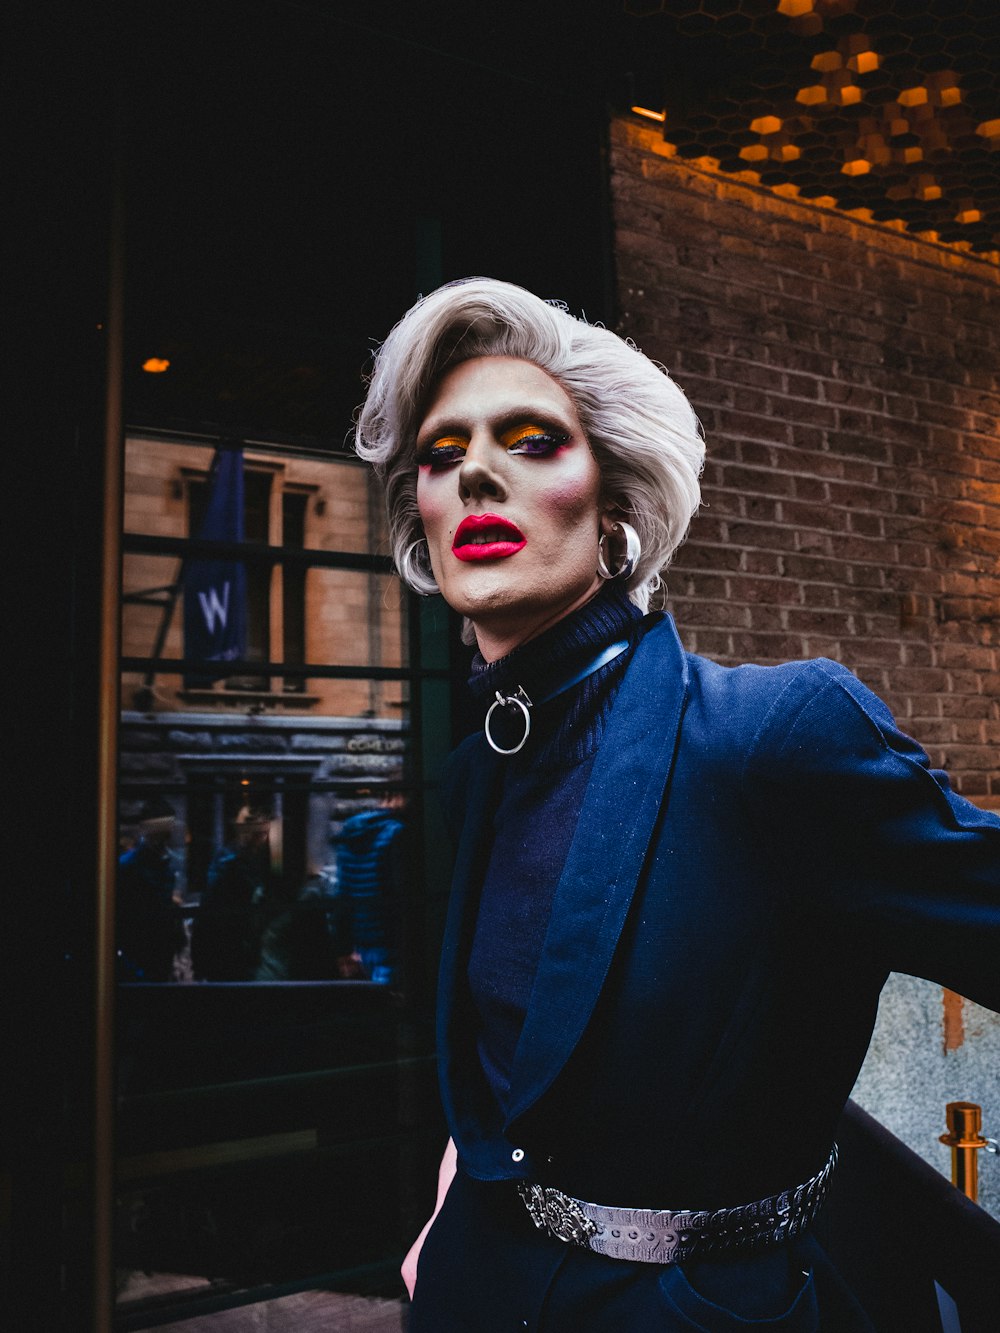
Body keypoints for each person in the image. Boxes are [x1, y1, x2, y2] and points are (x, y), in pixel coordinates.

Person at [355, 277, 1000, 1331]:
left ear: (614, 503)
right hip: (483, 1289)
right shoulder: (481, 763)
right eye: (442, 452)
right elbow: (502, 1050)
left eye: (530, 440)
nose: (475, 470)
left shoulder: (774, 737)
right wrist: (448, 1209)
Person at [332, 793, 407, 985]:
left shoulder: (350, 833)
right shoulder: (397, 833)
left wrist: (343, 946)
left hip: (361, 943)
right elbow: (398, 890)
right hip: (390, 940)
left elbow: (343, 893)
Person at [191, 805, 273, 981]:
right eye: (262, 834)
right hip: (229, 947)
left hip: (236, 947)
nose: (266, 839)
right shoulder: (230, 862)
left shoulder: (248, 859)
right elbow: (209, 909)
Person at [117, 796, 185, 982]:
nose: (167, 836)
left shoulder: (165, 863)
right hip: (139, 958)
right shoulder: (129, 866)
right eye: (162, 831)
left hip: (159, 955)